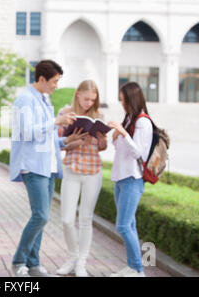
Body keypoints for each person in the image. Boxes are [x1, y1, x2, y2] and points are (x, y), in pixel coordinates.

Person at [9, 60, 79, 277]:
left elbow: (46, 138)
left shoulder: (45, 100)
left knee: (42, 216)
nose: (56, 86)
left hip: (48, 167)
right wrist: (57, 122)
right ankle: (19, 260)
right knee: (41, 216)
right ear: (41, 79)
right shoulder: (24, 100)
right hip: (32, 166)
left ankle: (33, 263)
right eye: (54, 81)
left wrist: (67, 142)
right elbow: (27, 133)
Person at [56, 80, 107, 277]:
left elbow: (102, 148)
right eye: (86, 99)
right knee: (67, 219)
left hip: (93, 171)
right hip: (72, 169)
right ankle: (72, 257)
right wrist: (76, 141)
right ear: (78, 94)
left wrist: (101, 140)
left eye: (92, 100)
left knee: (86, 219)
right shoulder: (64, 114)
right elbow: (59, 144)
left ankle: (81, 263)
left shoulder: (99, 116)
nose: (88, 103)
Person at [107, 82, 153, 277]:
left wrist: (123, 133)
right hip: (121, 177)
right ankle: (132, 267)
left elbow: (139, 153)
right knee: (130, 225)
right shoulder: (129, 119)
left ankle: (139, 270)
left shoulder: (143, 122)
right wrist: (117, 135)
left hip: (133, 178)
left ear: (131, 98)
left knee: (123, 226)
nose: (121, 103)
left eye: (123, 99)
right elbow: (120, 148)